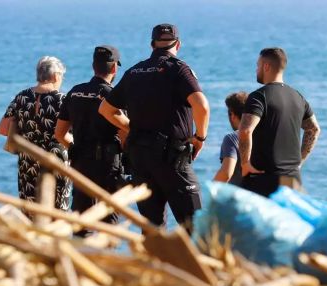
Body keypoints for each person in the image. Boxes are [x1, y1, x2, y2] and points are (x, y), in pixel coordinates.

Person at [98, 23, 210, 230]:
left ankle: (155, 262)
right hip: (172, 159)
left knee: (152, 228)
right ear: (178, 44)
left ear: (152, 45)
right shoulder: (179, 69)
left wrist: (133, 129)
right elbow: (201, 106)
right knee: (196, 226)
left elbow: (106, 109)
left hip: (141, 158)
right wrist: (200, 138)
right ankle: (196, 263)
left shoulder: (134, 72)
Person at [54, 45, 125, 229]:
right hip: (108, 165)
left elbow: (59, 133)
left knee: (81, 220)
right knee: (109, 222)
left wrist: (75, 148)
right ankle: (106, 257)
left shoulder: (75, 92)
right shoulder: (113, 96)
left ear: (94, 66)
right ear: (114, 68)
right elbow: (125, 132)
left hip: (81, 163)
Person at [238, 47, 320, 197]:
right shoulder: (298, 97)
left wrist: (245, 164)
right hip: (293, 179)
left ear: (266, 66)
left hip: (264, 179)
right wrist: (299, 161)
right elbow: (313, 129)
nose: (256, 70)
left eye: (258, 65)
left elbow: (245, 130)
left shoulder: (258, 96)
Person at [0, 56, 72, 211]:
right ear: (56, 76)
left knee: (30, 210)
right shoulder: (62, 100)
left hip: (27, 162)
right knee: (56, 211)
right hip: (55, 161)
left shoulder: (22, 96)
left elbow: (2, 129)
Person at [212, 91, 248, 184]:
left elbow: (226, 174)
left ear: (232, 114)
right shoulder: (265, 135)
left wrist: (210, 191)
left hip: (239, 196)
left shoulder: (232, 138)